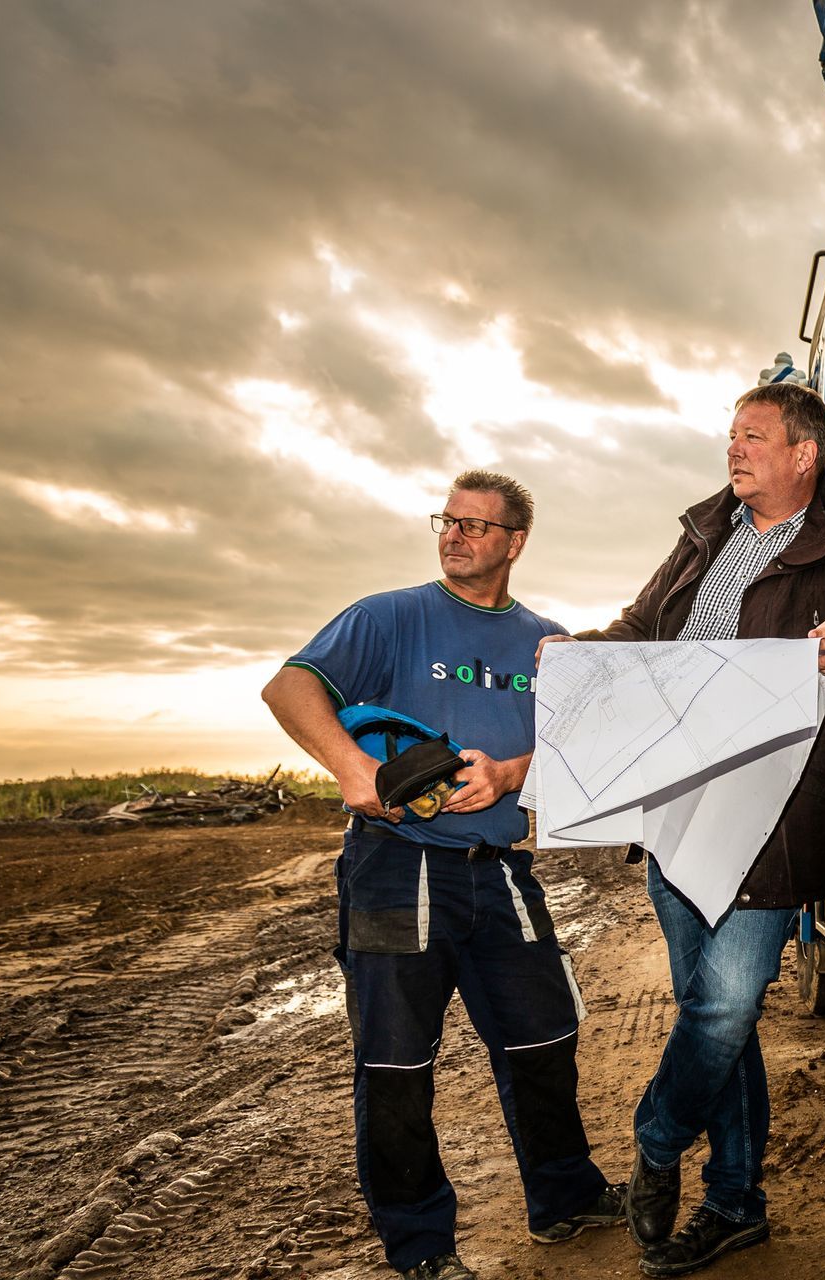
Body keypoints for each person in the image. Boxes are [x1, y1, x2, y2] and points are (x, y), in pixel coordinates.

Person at [546, 382, 825, 1276]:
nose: (734, 449)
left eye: (753, 437)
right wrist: (581, 653)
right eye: (731, 435)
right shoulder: (703, 538)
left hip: (773, 816)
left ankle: (656, 1144)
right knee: (713, 1020)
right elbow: (639, 630)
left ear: (804, 454)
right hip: (677, 807)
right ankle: (735, 1204)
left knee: (725, 1005)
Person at [262, 471, 623, 1280]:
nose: (454, 535)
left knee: (544, 1036)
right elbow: (290, 687)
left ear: (515, 542)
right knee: (396, 1062)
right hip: (395, 867)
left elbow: (576, 754)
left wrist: (508, 775)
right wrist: (352, 764)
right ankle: (421, 1246)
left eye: (475, 525)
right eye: (447, 520)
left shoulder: (548, 640)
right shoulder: (390, 616)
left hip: (497, 868)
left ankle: (564, 1200)